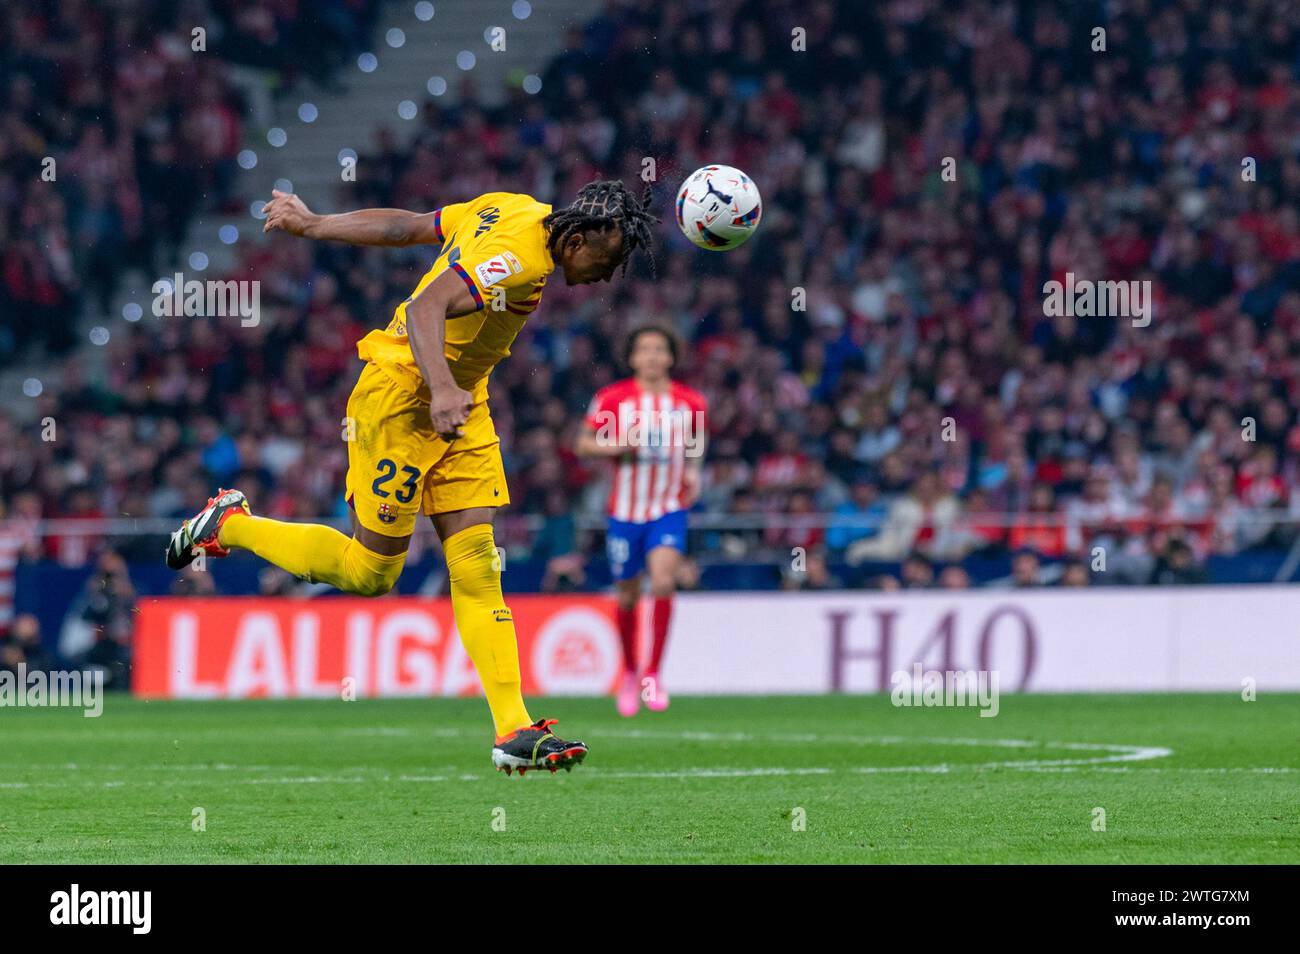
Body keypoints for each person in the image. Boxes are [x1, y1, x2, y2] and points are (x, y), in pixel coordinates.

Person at [166, 181, 658, 775]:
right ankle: (231, 524)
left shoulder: (514, 207)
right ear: (576, 239)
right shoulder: (519, 260)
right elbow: (427, 307)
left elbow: (411, 226)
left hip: (462, 403)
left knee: (477, 563)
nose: (605, 278)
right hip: (404, 398)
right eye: (605, 262)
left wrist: (317, 223)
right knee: (370, 573)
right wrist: (444, 388)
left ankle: (513, 728)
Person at [575, 326, 707, 716]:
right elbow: (581, 443)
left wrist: (695, 471)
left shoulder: (690, 401)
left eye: (659, 349)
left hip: (668, 507)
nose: (651, 356)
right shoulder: (612, 399)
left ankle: (653, 674)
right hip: (624, 512)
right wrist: (615, 447)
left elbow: (697, 442)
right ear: (632, 358)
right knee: (628, 594)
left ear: (670, 356)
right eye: (644, 350)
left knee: (664, 581)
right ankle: (630, 672)